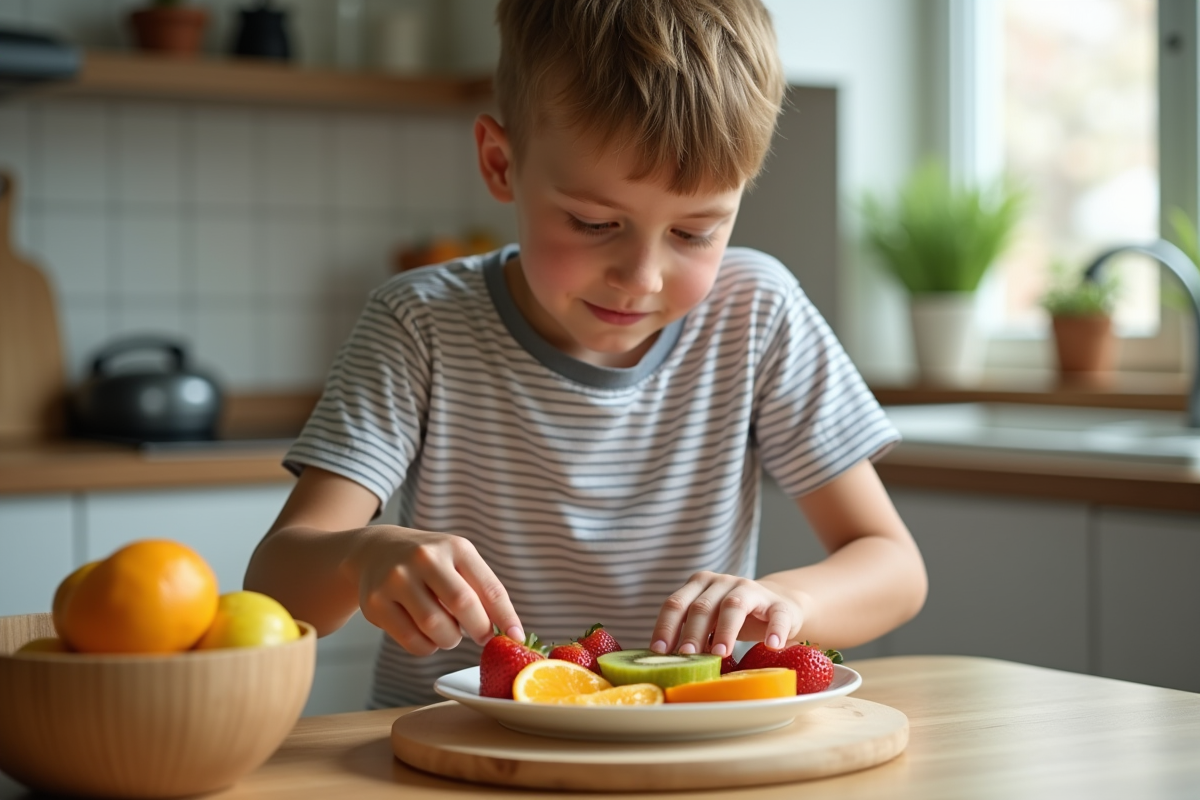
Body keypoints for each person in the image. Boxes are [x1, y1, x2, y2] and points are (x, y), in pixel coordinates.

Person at [244, 0, 927, 708]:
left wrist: (788, 600)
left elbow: (894, 567)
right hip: (458, 755)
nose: (642, 278)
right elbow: (275, 585)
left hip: (682, 756)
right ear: (500, 163)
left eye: (695, 233)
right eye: (595, 222)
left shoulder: (757, 313)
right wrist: (362, 556)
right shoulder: (420, 324)